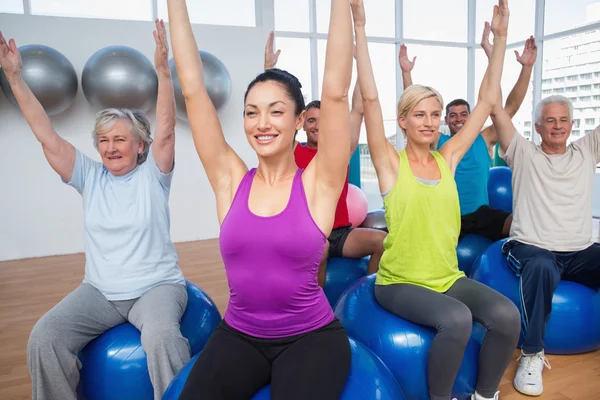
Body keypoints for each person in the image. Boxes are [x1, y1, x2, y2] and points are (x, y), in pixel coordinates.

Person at [165, 0, 355, 398]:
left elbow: (336, 94)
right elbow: (193, 88)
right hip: (240, 335)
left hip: (311, 338)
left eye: (276, 111)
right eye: (252, 113)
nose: (262, 123)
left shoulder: (318, 183)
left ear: (299, 120)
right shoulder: (230, 180)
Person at [0, 21, 189, 400]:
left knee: (161, 337)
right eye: (103, 140)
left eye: (120, 139)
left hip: (157, 288)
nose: (110, 147)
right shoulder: (89, 175)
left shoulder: (153, 175)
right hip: (100, 292)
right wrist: (16, 78)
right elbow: (46, 135)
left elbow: (167, 129)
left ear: (140, 146)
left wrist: (164, 73)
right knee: (45, 337)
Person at [352, 0, 521, 399]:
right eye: (420, 114)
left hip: (446, 278)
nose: (429, 122)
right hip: (398, 282)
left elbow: (485, 102)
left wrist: (499, 40)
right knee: (458, 320)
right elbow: (372, 101)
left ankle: (484, 394)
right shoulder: (391, 165)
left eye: (435, 114)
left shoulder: (447, 158)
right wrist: (360, 29)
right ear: (404, 121)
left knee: (507, 316)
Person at [491, 94, 600, 396]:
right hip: (531, 245)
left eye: (563, 120)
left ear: (572, 124)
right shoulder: (523, 153)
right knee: (541, 266)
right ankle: (531, 354)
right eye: (550, 120)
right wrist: (499, 51)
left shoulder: (587, 150)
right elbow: (497, 111)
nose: (557, 126)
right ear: (537, 127)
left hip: (579, 249)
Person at [264, 33, 386, 286]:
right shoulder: (292, 151)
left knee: (383, 242)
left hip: (341, 232)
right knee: (318, 250)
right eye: (311, 120)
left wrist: (359, 59)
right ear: (302, 124)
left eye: (323, 120)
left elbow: (358, 107)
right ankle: (315, 313)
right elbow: (275, 115)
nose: (317, 126)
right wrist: (269, 72)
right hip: (307, 231)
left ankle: (365, 296)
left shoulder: (340, 150)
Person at [399, 24, 538, 242]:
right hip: (446, 216)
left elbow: (509, 108)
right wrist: (406, 73)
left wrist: (526, 68)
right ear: (445, 120)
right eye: (452, 115)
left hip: (481, 214)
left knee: (523, 225)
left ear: (471, 116)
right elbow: (414, 110)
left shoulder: (484, 138)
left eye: (464, 114)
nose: (458, 119)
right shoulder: (439, 142)